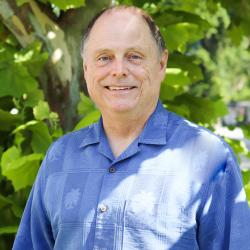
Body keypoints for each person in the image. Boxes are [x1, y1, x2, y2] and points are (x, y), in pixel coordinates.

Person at [13, 5, 250, 250]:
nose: (118, 71)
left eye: (134, 56)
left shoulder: (209, 158)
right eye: (104, 58)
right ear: (86, 69)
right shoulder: (59, 157)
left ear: (161, 64)